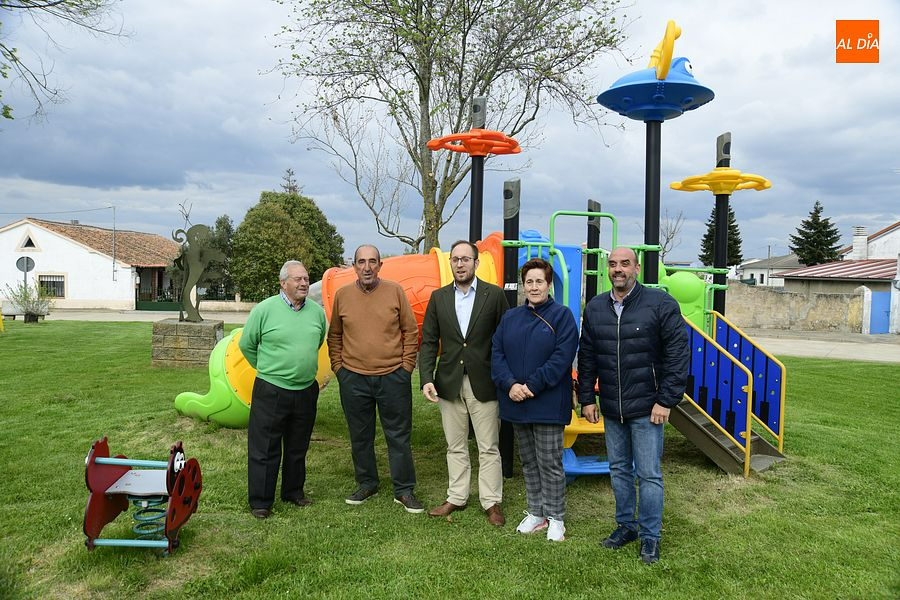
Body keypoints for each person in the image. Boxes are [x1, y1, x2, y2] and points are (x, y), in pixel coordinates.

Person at [577, 247, 689, 564]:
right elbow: (587, 357)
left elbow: (678, 357)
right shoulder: (596, 308)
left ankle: (650, 536)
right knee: (619, 471)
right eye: (612, 264)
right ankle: (626, 526)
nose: (618, 269)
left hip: (648, 408)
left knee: (649, 474)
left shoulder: (661, 304)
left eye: (624, 264)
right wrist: (587, 398)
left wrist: (666, 400)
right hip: (612, 407)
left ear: (636, 268)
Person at [327, 244, 424, 513]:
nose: (367, 267)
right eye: (361, 262)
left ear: (381, 265)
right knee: (360, 436)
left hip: (393, 377)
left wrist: (405, 368)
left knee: (399, 436)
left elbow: (411, 330)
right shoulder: (342, 295)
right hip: (354, 379)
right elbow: (334, 334)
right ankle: (367, 483)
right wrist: (339, 368)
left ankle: (403, 490)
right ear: (354, 266)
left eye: (372, 261)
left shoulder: (394, 291)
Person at [419, 240, 509, 526]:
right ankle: (456, 496)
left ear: (476, 263)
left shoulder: (493, 296)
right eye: (455, 260)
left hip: (485, 381)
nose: (460, 264)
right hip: (449, 382)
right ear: (451, 264)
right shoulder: (439, 298)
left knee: (488, 446)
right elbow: (429, 341)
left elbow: (505, 339)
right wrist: (426, 379)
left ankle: (491, 501)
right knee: (455, 445)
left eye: (465, 259)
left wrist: (505, 377)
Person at [491, 257, 578, 542]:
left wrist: (531, 385)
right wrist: (510, 385)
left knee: (550, 462)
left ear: (549, 284)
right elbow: (497, 354)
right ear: (523, 285)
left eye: (540, 281)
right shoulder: (511, 317)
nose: (534, 286)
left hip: (548, 402)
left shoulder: (562, 316)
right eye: (529, 281)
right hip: (516, 401)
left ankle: (556, 517)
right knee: (528, 461)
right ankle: (536, 512)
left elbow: (561, 358)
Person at [239, 260, 326, 519]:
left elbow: (319, 340)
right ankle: (261, 501)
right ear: (283, 283)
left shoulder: (316, 312)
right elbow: (247, 344)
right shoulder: (264, 310)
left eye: (306, 278)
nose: (303, 283)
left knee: (298, 446)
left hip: (306, 390)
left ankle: (293, 492)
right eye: (297, 279)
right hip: (271, 390)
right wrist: (268, 370)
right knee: (265, 448)